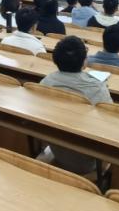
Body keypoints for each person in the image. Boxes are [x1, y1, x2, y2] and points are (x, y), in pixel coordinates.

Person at [40, 36, 112, 174]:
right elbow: (108, 123)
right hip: (89, 161)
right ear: (84, 62)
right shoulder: (97, 88)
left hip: (55, 146)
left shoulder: (45, 82)